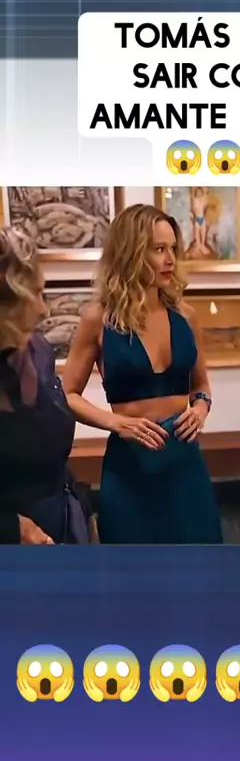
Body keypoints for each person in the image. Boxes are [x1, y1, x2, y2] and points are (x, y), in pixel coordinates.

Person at [62, 203, 223, 544]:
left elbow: (201, 386)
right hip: (130, 465)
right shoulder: (99, 319)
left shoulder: (186, 316)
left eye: (173, 249)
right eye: (159, 249)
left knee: (199, 558)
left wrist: (200, 409)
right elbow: (67, 394)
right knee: (132, 564)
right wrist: (117, 423)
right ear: (131, 253)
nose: (170, 260)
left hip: (184, 461)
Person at [0, 228, 96, 544]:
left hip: (62, 525)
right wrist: (12, 527)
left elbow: (50, 452)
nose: (45, 310)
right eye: (36, 294)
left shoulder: (39, 351)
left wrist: (83, 513)